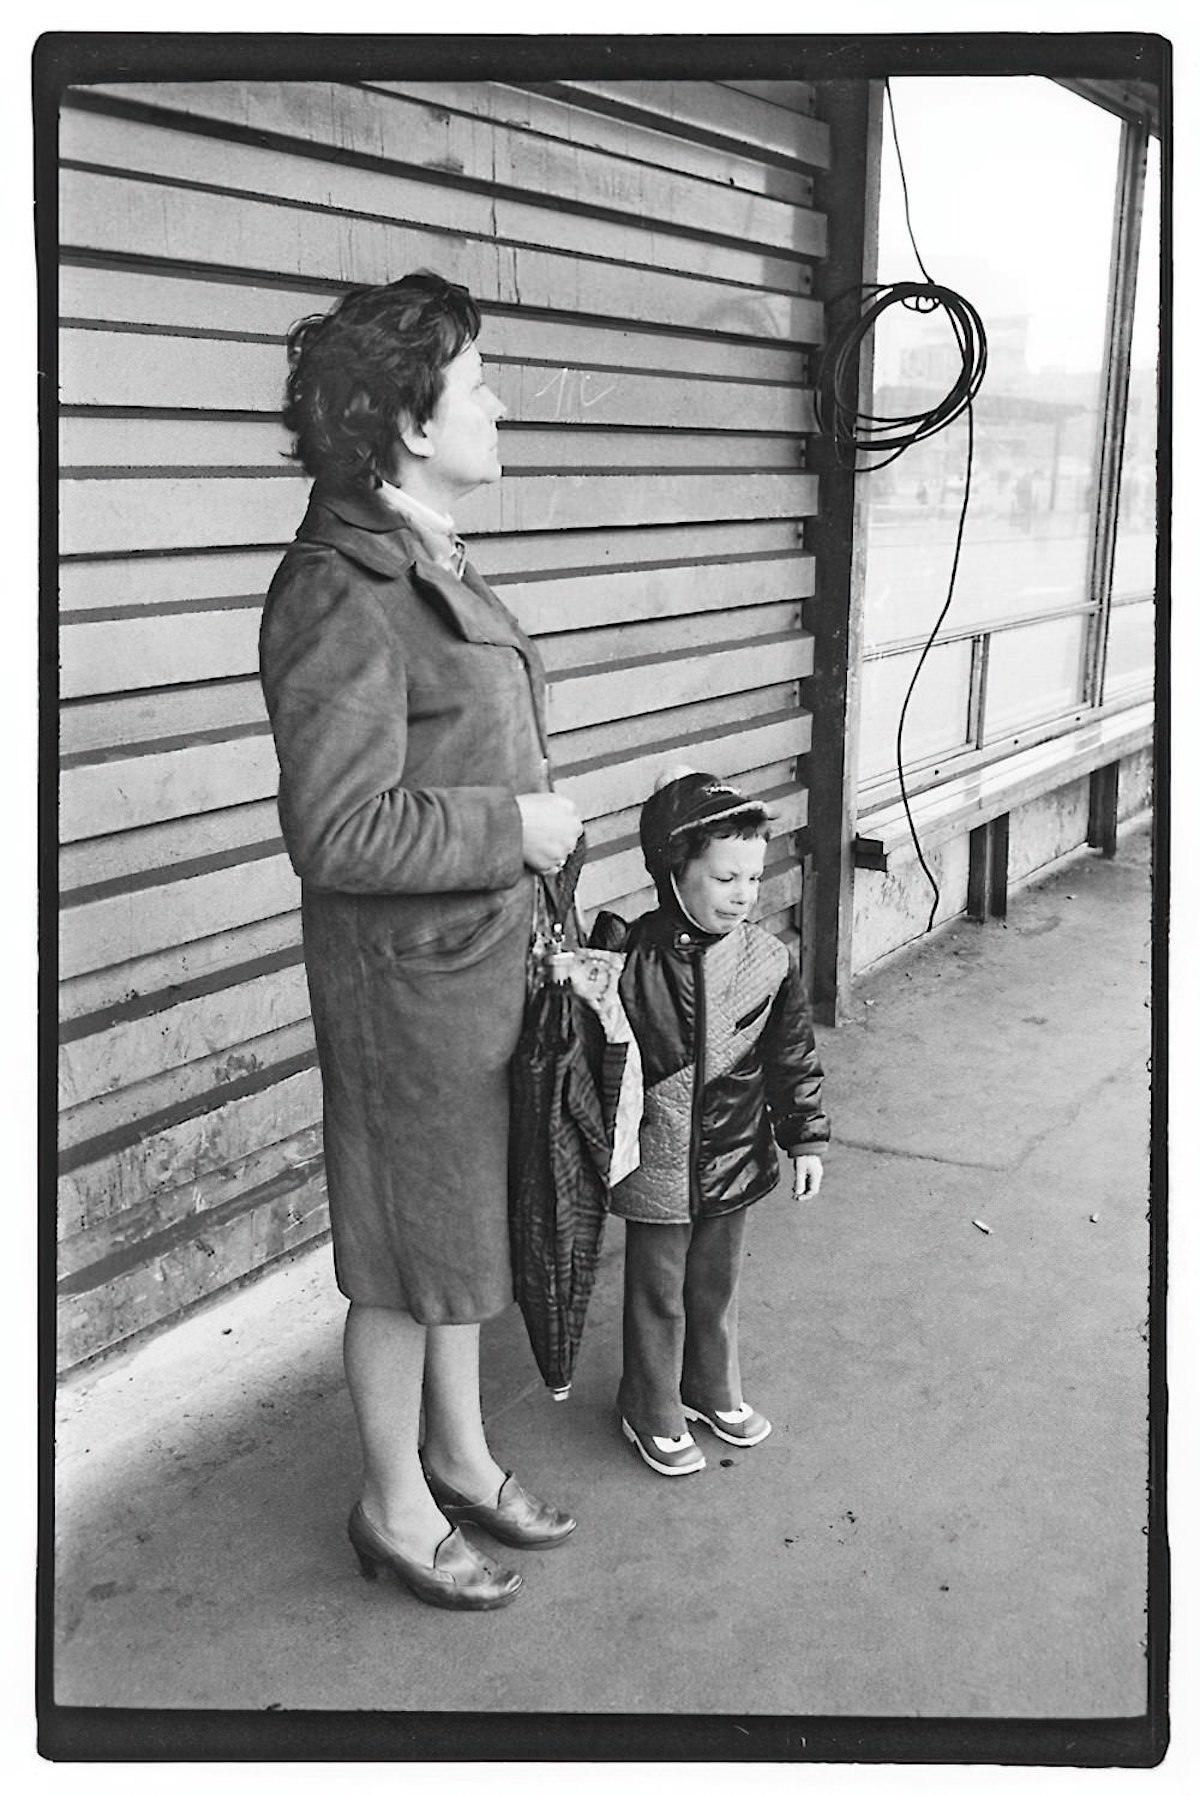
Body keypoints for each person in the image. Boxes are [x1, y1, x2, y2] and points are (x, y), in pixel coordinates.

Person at [259, 272, 582, 1609]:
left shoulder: (424, 552)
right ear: (409, 419)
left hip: (477, 975)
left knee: (458, 1240)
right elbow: (338, 831)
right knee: (402, 1264)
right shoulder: (338, 589)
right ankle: (393, 1505)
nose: (501, 401)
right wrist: (513, 825)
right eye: (479, 381)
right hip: (407, 1001)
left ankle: (457, 1450)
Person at [593, 770, 830, 1477]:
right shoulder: (629, 957)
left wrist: (806, 1137)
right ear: (675, 872)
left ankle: (707, 1384)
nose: (744, 894)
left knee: (715, 1284)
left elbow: (792, 1055)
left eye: (754, 878)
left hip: (735, 1154)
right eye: (726, 877)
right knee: (656, 1292)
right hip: (656, 1162)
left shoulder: (766, 959)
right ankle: (649, 1403)